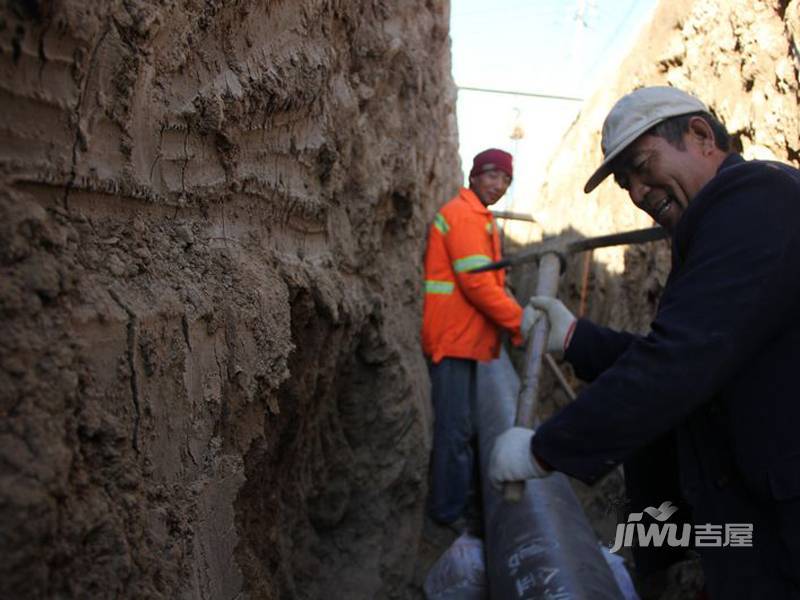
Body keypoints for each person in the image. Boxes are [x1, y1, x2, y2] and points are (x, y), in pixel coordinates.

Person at [488, 86, 800, 598]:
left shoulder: (757, 201)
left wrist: (545, 450)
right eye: (624, 182)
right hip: (758, 521)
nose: (636, 192)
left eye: (641, 165)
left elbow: (680, 361)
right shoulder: (720, 220)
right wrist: (575, 338)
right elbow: (695, 352)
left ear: (700, 135)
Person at [422, 148, 534, 529]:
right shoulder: (464, 216)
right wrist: (520, 324)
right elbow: (478, 284)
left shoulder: (476, 216)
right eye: (492, 176)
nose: (499, 185)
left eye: (505, 180)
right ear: (474, 177)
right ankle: (447, 513)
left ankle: (457, 502)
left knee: (462, 428)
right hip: (452, 340)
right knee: (454, 432)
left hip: (461, 340)